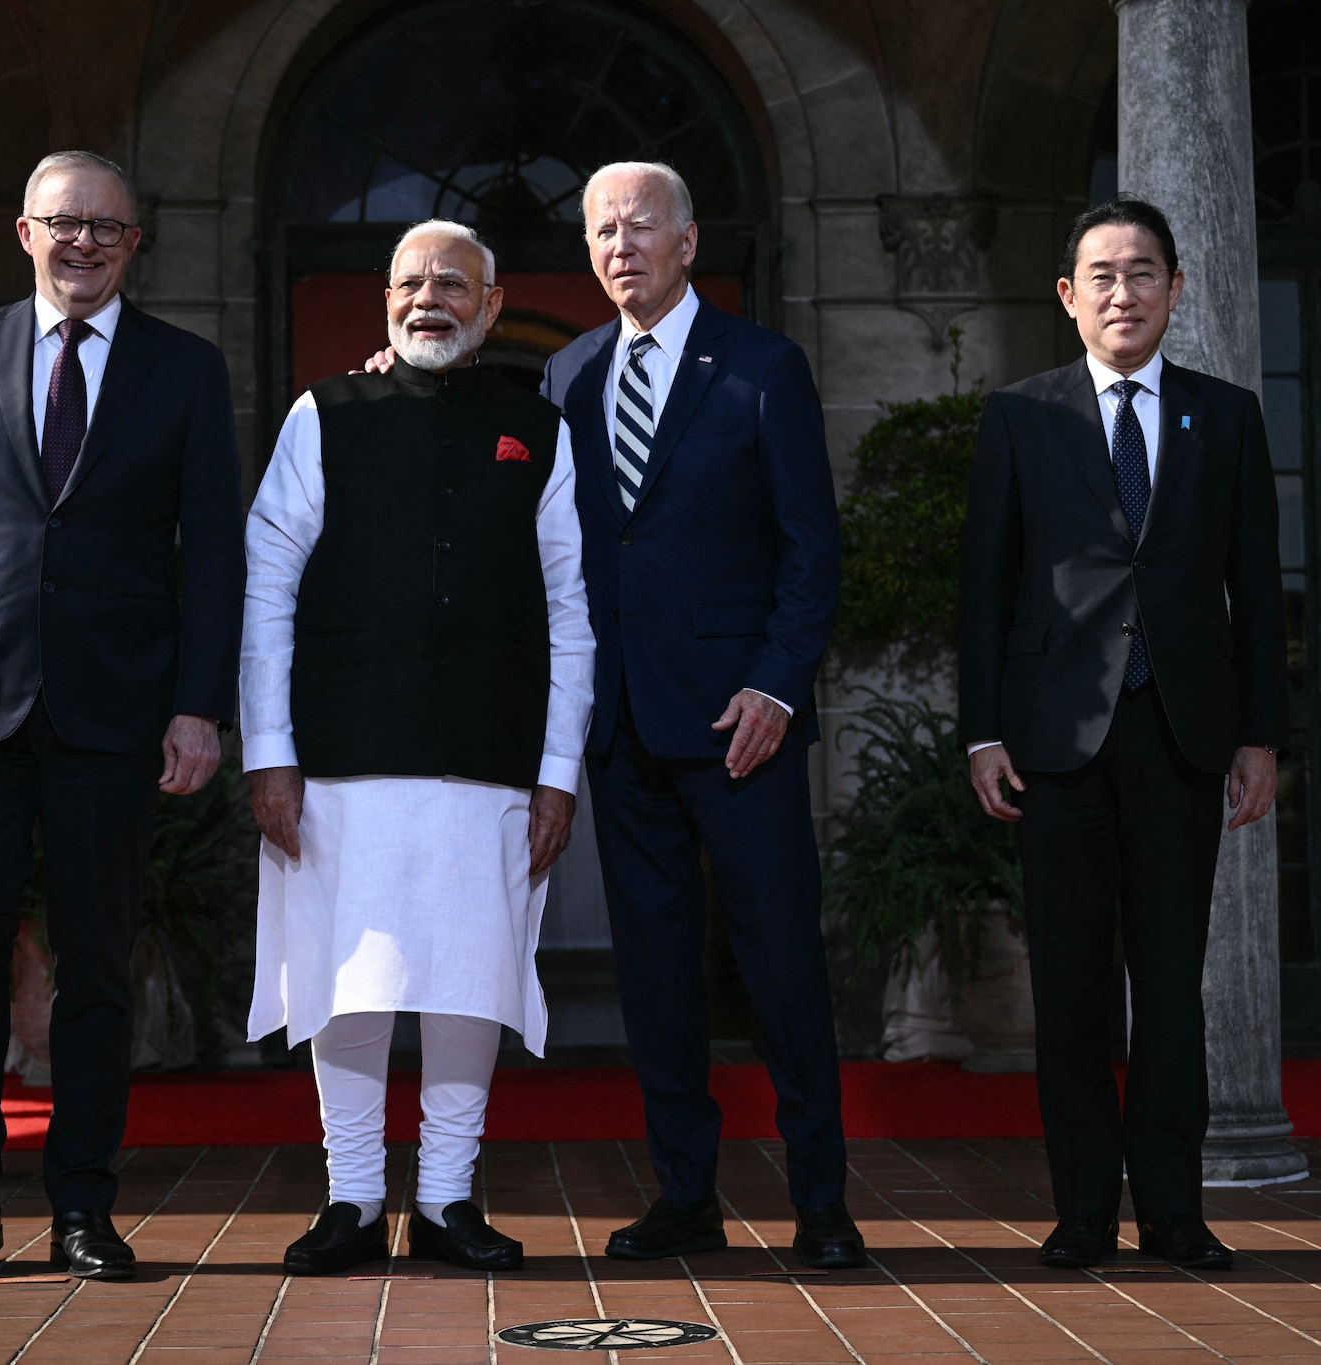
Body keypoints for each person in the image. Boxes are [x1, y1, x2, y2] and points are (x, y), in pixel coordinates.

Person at [0, 150, 245, 1283]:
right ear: (24, 234)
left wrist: (198, 709)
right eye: (62, 223)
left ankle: (83, 1204)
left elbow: (213, 554)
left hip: (116, 712)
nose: (83, 243)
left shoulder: (184, 370)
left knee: (95, 963)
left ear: (135, 244)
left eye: (107, 228)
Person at [243, 220, 594, 1276]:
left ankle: (446, 1198)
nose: (426, 297)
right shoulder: (323, 414)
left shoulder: (536, 428)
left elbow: (571, 609)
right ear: (383, 300)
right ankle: (350, 1198)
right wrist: (267, 750)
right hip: (337, 755)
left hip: (489, 755)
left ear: (490, 307)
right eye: (408, 282)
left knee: (465, 979)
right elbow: (268, 591)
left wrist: (558, 773)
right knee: (341, 984)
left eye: (452, 283)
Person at [957, 196, 1285, 1272]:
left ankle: (1173, 1214)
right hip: (1053, 742)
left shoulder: (1224, 415)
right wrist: (980, 734)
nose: (1121, 292)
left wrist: (1258, 735)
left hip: (1183, 736)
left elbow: (1256, 589)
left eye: (1142, 272)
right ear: (1066, 295)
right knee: (1069, 987)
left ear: (1175, 290)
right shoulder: (1021, 414)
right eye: (1099, 274)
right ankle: (1083, 1214)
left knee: (1168, 982)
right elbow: (985, 587)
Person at [541, 163, 860, 1268]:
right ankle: (685, 1195)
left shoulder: (763, 368)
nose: (617, 245)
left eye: (637, 226)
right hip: (624, 730)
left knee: (778, 969)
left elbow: (810, 554)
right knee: (657, 979)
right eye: (598, 232)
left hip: (741, 732)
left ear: (686, 240)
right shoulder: (565, 376)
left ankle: (820, 1203)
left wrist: (775, 685)